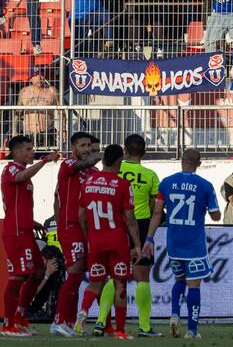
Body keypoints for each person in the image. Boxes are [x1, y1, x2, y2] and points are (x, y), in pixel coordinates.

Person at [142, 148, 221, 340]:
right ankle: (192, 330)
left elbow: (158, 214)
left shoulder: (166, 183)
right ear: (199, 163)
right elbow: (216, 216)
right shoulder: (205, 185)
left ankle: (175, 313)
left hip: (174, 243)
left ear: (182, 161)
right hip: (194, 245)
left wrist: (149, 239)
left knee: (179, 280)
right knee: (194, 286)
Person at [76, 144, 141, 341]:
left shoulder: (87, 182)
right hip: (117, 242)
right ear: (120, 161)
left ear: (103, 160)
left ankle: (83, 312)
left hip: (96, 240)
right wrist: (137, 244)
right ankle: (120, 330)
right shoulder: (122, 185)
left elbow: (81, 215)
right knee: (120, 284)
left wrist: (89, 236)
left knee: (95, 283)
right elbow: (130, 219)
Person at [1, 136, 59, 337]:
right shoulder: (11, 169)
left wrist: (31, 222)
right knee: (19, 275)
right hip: (15, 232)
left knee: (38, 271)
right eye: (27, 149)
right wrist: (45, 161)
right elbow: (18, 178)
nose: (32, 152)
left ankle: (20, 316)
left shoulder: (24, 174)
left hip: (25, 230)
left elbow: (16, 204)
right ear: (15, 152)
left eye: (32, 148)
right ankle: (8, 325)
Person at [106, 134, 161, 338]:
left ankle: (101, 322)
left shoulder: (117, 171)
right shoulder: (151, 175)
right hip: (142, 223)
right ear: (144, 153)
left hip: (117, 224)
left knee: (114, 275)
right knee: (142, 278)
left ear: (125, 151)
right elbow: (156, 205)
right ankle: (145, 327)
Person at [50, 132, 101, 337]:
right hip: (71, 226)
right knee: (74, 273)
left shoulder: (93, 171)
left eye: (89, 145)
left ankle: (69, 322)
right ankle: (59, 320)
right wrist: (60, 222)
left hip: (88, 228)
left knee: (79, 276)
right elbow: (56, 198)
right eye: (82, 145)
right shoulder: (68, 165)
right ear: (73, 148)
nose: (87, 149)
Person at [17, 69, 58, 148]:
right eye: (36, 75)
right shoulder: (24, 92)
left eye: (41, 75)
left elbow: (61, 111)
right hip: (28, 133)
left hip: (47, 132)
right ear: (31, 78)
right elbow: (17, 112)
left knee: (49, 158)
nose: (39, 78)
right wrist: (14, 130)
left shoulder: (51, 91)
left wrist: (63, 130)